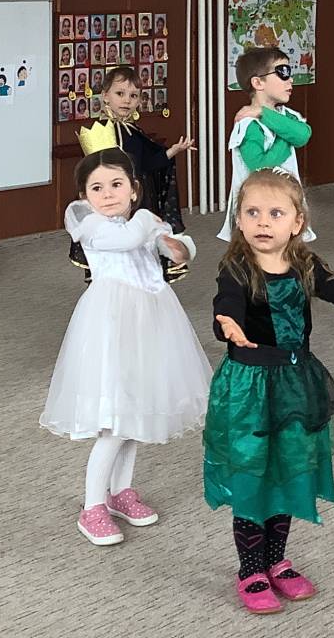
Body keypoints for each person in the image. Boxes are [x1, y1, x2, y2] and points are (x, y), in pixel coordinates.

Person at [205, 169, 334, 613]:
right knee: (253, 475)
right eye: (252, 213)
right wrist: (228, 322)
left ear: (297, 222)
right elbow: (227, 301)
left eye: (275, 213)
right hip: (249, 387)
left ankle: (276, 561)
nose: (263, 222)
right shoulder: (237, 267)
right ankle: (250, 569)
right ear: (239, 221)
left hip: (296, 381)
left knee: (288, 469)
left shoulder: (305, 264)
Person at [41, 149, 211, 546]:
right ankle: (92, 506)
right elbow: (130, 238)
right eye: (97, 188)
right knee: (115, 421)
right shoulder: (90, 223)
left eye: (116, 185)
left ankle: (120, 492)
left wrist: (177, 245)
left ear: (133, 189)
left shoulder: (139, 222)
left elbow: (179, 246)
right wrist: (150, 222)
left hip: (152, 322)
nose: (107, 194)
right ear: (84, 196)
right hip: (112, 325)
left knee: (135, 414)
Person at [68, 66, 195, 285]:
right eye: (120, 93)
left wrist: (172, 151)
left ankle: (141, 279)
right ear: (105, 96)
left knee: (140, 243)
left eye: (134, 96)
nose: (127, 100)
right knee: (116, 242)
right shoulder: (101, 132)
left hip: (140, 198)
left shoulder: (134, 131)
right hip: (115, 200)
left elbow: (148, 164)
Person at [217, 47, 312, 242]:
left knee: (288, 249)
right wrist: (286, 136)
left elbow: (303, 135)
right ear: (258, 82)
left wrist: (263, 112)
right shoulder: (248, 124)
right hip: (256, 209)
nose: (290, 80)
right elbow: (261, 167)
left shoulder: (287, 115)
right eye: (283, 72)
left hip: (285, 202)